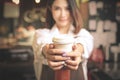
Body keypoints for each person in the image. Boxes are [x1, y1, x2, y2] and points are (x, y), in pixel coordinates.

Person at [32, 0, 94, 80]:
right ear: (51, 9)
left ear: (73, 10)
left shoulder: (84, 34)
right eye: (57, 8)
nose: (63, 14)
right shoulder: (41, 34)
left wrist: (78, 51)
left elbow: (83, 44)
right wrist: (47, 52)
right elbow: (42, 45)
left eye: (67, 8)